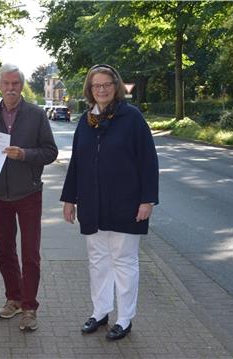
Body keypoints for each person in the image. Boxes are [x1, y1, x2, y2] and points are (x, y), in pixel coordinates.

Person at [60, 64, 159, 341]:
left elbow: (148, 161)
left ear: (116, 87)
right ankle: (100, 311)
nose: (101, 89)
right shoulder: (85, 120)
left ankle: (125, 318)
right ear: (90, 90)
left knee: (124, 262)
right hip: (93, 203)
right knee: (98, 260)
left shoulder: (132, 118)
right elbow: (77, 163)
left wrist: (147, 200)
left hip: (126, 203)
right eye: (96, 85)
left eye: (106, 84)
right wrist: (69, 199)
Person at [0, 63, 58, 331]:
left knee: (30, 254)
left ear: (21, 86)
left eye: (15, 84)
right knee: (5, 253)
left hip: (28, 194)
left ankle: (29, 307)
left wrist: (23, 154)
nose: (11, 88)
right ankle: (13, 299)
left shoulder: (36, 115)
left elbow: (50, 152)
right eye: (6, 84)